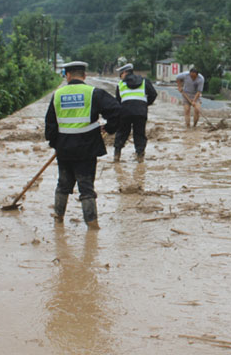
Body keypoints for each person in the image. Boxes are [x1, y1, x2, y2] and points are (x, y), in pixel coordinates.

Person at [45, 61, 121, 230]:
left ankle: (58, 220)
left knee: (63, 185)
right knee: (86, 188)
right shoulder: (93, 93)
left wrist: (55, 143)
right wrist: (109, 128)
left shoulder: (57, 95)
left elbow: (50, 124)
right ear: (84, 76)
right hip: (87, 148)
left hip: (64, 148)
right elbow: (117, 111)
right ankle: (92, 226)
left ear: (68, 76)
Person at [113, 63, 157, 162]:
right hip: (140, 112)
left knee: (122, 132)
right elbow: (153, 94)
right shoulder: (145, 81)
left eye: (120, 74)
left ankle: (117, 155)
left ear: (124, 73)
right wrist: (144, 104)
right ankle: (140, 156)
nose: (120, 77)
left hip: (125, 112)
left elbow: (118, 101)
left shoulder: (120, 84)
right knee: (139, 133)